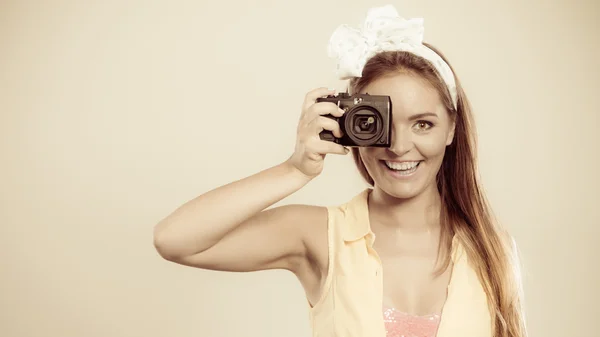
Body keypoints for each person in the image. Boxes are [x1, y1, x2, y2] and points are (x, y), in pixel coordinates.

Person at [153, 5, 527, 337]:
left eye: (423, 124)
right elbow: (174, 239)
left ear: (451, 129)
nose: (398, 147)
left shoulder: (491, 247)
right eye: (383, 123)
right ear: (352, 126)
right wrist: (295, 170)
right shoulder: (318, 236)